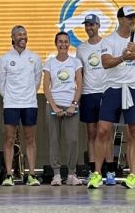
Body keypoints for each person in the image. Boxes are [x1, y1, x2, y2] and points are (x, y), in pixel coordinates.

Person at [87, 6, 135, 190]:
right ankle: (97, 174)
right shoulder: (109, 40)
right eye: (129, 17)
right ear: (120, 19)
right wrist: (124, 56)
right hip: (113, 88)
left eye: (134, 17)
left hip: (134, 88)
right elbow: (106, 63)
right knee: (103, 130)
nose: (132, 20)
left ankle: (132, 174)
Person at [0, 25, 43, 186]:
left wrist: (28, 94)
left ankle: (31, 174)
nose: (22, 37)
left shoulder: (35, 58)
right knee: (9, 139)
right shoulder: (4, 59)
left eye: (24, 34)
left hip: (30, 103)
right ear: (12, 37)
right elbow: (1, 83)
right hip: (11, 103)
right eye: (19, 34)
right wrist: (11, 98)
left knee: (30, 139)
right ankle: (9, 175)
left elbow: (38, 81)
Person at [74, 14, 112, 183]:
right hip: (88, 93)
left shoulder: (107, 43)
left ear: (98, 25)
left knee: (106, 133)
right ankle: (92, 169)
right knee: (91, 133)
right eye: (87, 25)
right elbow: (79, 74)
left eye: (92, 24)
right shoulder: (81, 48)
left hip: (106, 92)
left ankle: (110, 170)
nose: (89, 28)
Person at [43, 31, 84, 186]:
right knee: (54, 140)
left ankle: (72, 173)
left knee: (72, 140)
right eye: (60, 41)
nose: (63, 44)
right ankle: (57, 174)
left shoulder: (75, 63)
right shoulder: (49, 63)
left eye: (66, 41)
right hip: (54, 105)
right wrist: (54, 106)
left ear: (69, 43)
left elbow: (79, 85)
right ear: (56, 44)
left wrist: (73, 105)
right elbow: (46, 87)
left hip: (71, 106)